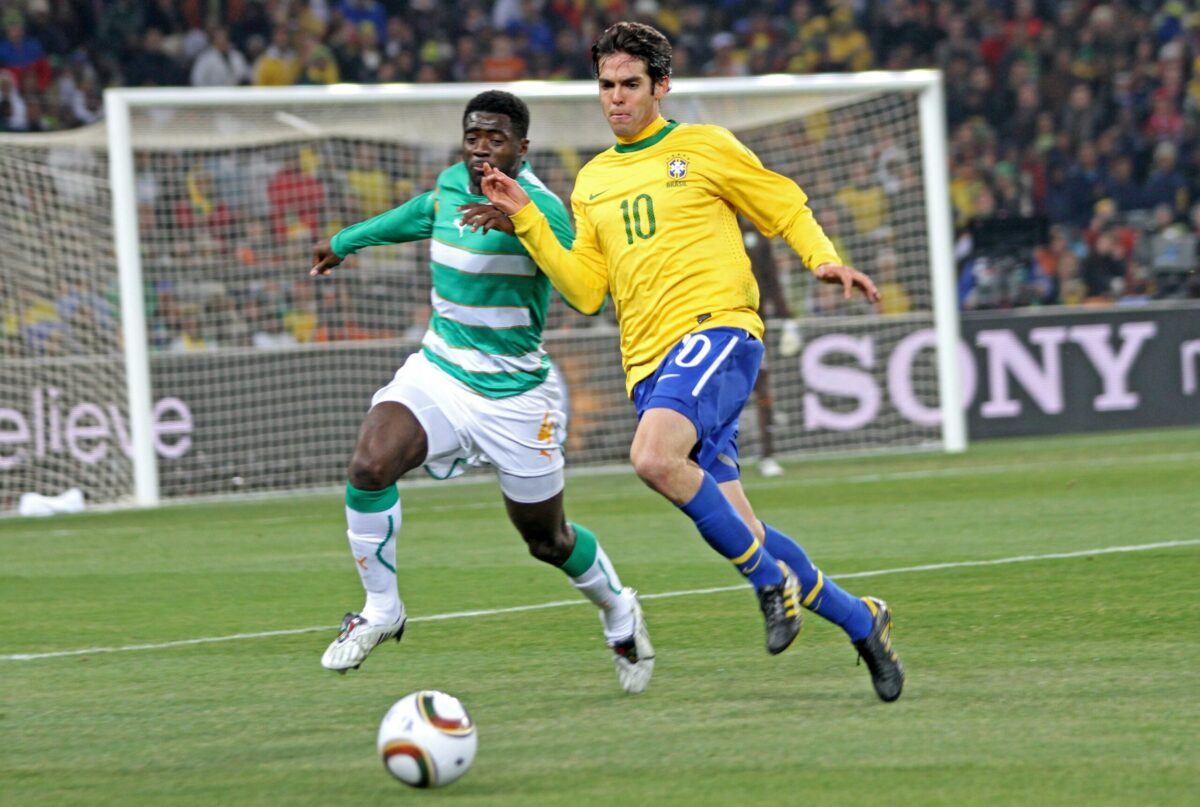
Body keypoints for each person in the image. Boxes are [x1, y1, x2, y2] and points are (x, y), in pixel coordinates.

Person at [476, 22, 903, 701]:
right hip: (650, 366)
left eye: (630, 84)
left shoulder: (704, 147)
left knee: (652, 458)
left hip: (718, 331)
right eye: (607, 86)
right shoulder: (592, 181)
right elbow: (585, 291)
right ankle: (861, 619)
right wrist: (528, 219)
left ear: (661, 87)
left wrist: (821, 258)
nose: (616, 98)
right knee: (742, 525)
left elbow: (782, 203)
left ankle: (768, 582)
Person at [308, 90, 653, 694]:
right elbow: (418, 214)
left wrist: (525, 227)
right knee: (369, 465)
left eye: (496, 139)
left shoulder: (544, 207)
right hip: (440, 371)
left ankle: (618, 607)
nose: (482, 149)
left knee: (547, 540)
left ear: (522, 147)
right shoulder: (450, 186)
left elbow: (587, 295)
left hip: (517, 396)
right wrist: (344, 242)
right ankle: (381, 609)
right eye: (473, 137)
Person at [739, 216, 802, 478]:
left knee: (763, 390)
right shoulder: (714, 230)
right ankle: (709, 454)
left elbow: (772, 280)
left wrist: (788, 319)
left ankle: (767, 455)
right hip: (717, 324)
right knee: (714, 392)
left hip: (755, 327)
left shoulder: (759, 237)